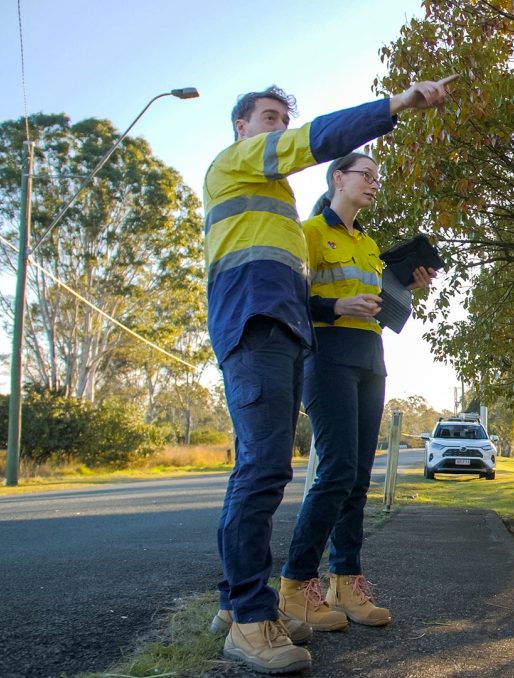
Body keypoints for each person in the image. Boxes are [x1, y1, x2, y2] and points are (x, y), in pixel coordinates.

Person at [204, 76, 454, 674]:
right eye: (269, 118)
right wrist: (395, 105)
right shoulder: (236, 165)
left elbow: (327, 289)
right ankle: (251, 614)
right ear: (242, 128)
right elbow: (313, 142)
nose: (279, 128)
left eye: (281, 118)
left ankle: (235, 604)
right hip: (259, 325)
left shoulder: (286, 216)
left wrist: (395, 288)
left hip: (289, 332)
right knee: (267, 468)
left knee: (269, 467)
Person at [275, 152, 435, 635]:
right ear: (337, 178)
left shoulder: (369, 244)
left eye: (377, 178)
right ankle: (295, 583)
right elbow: (288, 296)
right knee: (338, 468)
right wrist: (336, 303)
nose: (373, 183)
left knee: (359, 476)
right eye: (366, 175)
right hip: (327, 355)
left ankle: (344, 582)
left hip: (371, 357)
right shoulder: (308, 233)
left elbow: (382, 308)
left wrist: (410, 290)